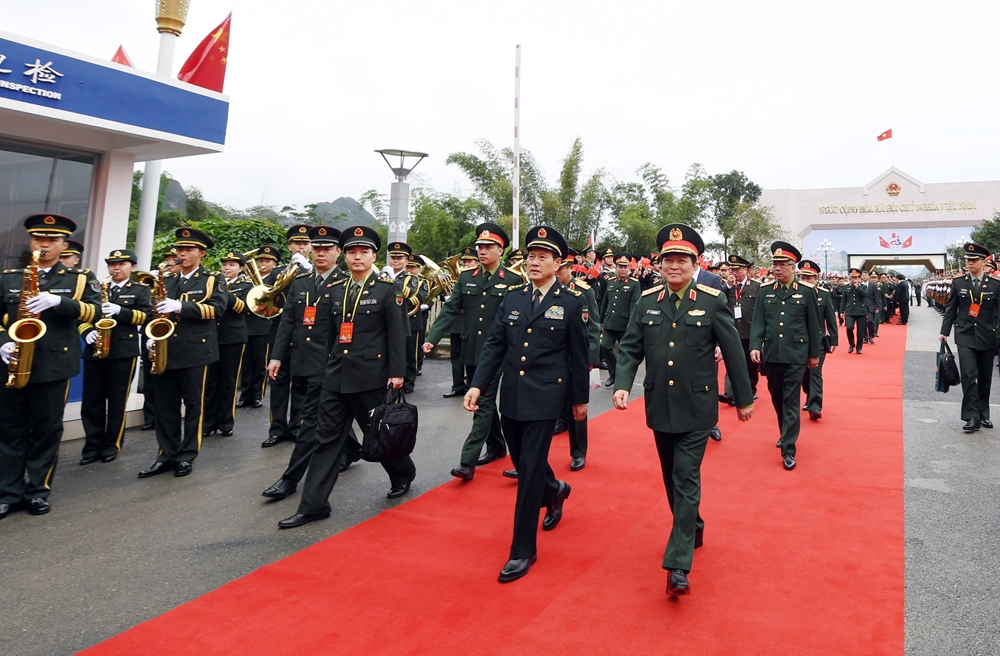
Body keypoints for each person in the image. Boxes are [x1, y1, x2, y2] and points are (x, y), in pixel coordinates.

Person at [612, 223, 754, 597]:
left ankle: (678, 564)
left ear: (696, 264)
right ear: (660, 264)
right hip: (660, 404)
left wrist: (743, 398)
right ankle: (694, 524)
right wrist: (623, 384)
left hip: (697, 406)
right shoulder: (647, 301)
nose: (674, 266)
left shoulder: (712, 299)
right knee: (671, 477)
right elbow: (630, 347)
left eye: (682, 260)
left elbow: (734, 352)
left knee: (686, 476)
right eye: (668, 260)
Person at [465, 225, 590, 582]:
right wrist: (478, 385)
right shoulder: (514, 298)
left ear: (557, 263)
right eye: (530, 256)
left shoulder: (571, 303)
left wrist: (579, 401)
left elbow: (579, 357)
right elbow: (495, 345)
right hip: (513, 396)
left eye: (542, 257)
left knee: (528, 471)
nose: (534, 263)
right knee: (522, 460)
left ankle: (522, 550)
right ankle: (556, 491)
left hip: (547, 396)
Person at [278, 226, 416, 529]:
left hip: (371, 377)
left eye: (363, 251)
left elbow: (398, 336)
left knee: (376, 434)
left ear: (373, 256)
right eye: (352, 251)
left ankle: (402, 472)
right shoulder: (336, 290)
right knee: (326, 441)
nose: (357, 256)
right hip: (336, 376)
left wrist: (397, 374)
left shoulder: (387, 289)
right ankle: (313, 505)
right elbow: (328, 335)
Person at [0, 214, 102, 519]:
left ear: (63, 244)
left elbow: (95, 312)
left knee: (46, 430)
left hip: (53, 363)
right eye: (38, 239)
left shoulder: (80, 278)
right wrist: (3, 339)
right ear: (31, 241)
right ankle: (9, 492)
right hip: (12, 362)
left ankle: (38, 491)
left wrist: (59, 303)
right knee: (9, 430)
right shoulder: (9, 277)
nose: (44, 245)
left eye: (52, 240)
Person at [423, 223, 519, 481]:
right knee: (483, 402)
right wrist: (432, 337)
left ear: (501, 250)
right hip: (473, 350)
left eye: (489, 247)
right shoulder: (466, 276)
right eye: (480, 247)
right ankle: (497, 445)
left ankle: (468, 461)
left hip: (501, 353)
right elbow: (451, 309)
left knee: (482, 402)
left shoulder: (513, 280)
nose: (483, 251)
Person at [263, 226, 348, 501]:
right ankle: (354, 449)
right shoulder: (300, 282)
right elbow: (287, 322)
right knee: (325, 417)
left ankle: (290, 479)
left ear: (338, 252)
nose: (321, 252)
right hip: (300, 361)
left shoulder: (345, 283)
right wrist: (276, 356)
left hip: (329, 365)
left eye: (327, 248)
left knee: (310, 422)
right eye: (317, 247)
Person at [137, 227, 227, 479]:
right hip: (167, 349)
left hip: (196, 350)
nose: (182, 254)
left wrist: (182, 306)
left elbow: (217, 309)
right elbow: (154, 313)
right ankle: (165, 454)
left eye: (188, 250)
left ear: (201, 253)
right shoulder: (167, 280)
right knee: (165, 406)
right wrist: (152, 337)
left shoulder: (212, 279)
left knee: (193, 405)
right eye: (179, 250)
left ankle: (187, 455)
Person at [749, 241, 820, 471]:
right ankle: (785, 432)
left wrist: (814, 354)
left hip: (796, 354)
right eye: (775, 265)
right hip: (772, 354)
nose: (777, 269)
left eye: (782, 265)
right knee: (776, 397)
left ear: (793, 267)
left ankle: (789, 447)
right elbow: (759, 322)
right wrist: (755, 346)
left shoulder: (806, 292)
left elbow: (813, 326)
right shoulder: (765, 291)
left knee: (791, 400)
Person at [80, 248, 152, 465]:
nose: (116, 268)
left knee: (117, 400)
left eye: (121, 264)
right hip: (96, 349)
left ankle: (112, 445)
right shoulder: (96, 288)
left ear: (133, 267)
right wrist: (85, 330)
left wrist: (121, 311)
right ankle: (92, 446)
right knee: (91, 402)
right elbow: (81, 313)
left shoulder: (140, 290)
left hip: (123, 351)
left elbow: (146, 316)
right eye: (112, 264)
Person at [939, 242, 1000, 432]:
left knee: (984, 377)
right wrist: (944, 332)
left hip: (987, 335)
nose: (970, 263)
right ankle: (971, 416)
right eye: (968, 260)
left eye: (974, 260)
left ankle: (983, 413)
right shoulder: (958, 283)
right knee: (969, 374)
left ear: (984, 262)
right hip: (964, 334)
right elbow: (950, 310)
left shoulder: (996, 285)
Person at [263, 228, 315, 449]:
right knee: (278, 382)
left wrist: (307, 270)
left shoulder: (314, 272)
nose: (302, 247)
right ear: (289, 247)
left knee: (301, 384)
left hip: (304, 335)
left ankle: (297, 426)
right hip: (280, 333)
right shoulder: (278, 273)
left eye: (306, 243)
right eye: (297, 244)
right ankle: (277, 429)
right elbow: (267, 302)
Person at [202, 251, 252, 438]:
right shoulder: (213, 282)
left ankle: (225, 422)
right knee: (210, 381)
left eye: (232, 265)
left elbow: (243, 308)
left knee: (229, 381)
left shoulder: (246, 285)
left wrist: (225, 292)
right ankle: (208, 422)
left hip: (233, 337)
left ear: (240, 268)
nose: (227, 268)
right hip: (213, 336)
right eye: (225, 264)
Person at [140, 247, 182, 432]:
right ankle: (149, 416)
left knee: (170, 382)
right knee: (151, 376)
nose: (170, 262)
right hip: (153, 331)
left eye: (174, 259)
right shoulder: (161, 281)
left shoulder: (182, 283)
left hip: (173, 335)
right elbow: (150, 308)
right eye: (168, 259)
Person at [239, 245, 281, 412]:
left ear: (274, 264)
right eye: (261, 260)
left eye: (267, 261)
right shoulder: (248, 279)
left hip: (265, 326)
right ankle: (244, 395)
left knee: (260, 363)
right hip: (247, 325)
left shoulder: (275, 281)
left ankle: (257, 395)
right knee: (246, 363)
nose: (263, 264)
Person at [797, 260, 837, 421]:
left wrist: (833, 339)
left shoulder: (823, 294)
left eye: (809, 278)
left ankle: (815, 406)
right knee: (803, 375)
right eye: (803, 278)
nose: (806, 281)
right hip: (799, 341)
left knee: (815, 372)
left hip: (818, 341)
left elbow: (830, 318)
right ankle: (808, 395)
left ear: (816, 278)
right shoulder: (795, 293)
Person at [721, 254, 760, 404]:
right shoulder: (729, 286)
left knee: (750, 363)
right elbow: (720, 299)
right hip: (733, 329)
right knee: (733, 360)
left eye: (737, 270)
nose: (735, 273)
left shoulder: (756, 286)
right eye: (733, 270)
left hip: (749, 330)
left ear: (745, 269)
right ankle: (730, 392)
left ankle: (751, 389)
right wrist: (728, 286)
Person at [599, 253, 640, 387]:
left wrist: (632, 324)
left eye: (625, 267)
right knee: (605, 346)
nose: (623, 269)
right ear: (616, 267)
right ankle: (613, 372)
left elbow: (634, 305)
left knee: (624, 352)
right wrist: (601, 320)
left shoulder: (634, 284)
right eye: (620, 267)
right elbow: (605, 302)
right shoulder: (611, 281)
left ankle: (623, 378)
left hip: (625, 324)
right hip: (610, 322)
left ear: (629, 268)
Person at [442, 247, 479, 398]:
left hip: (470, 323)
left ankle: (472, 384)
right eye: (464, 261)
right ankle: (457, 385)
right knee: (455, 356)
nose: (466, 264)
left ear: (477, 262)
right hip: (457, 322)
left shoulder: (478, 278)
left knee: (471, 356)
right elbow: (441, 295)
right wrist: (447, 296)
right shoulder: (457, 277)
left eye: (469, 261)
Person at [402, 254, 430, 393]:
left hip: (413, 320)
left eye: (413, 267)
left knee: (411, 353)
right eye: (408, 267)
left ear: (419, 268)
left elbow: (418, 297)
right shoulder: (397, 279)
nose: (409, 270)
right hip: (399, 320)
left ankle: (409, 383)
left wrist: (400, 302)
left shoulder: (421, 282)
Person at [841, 268, 868, 354]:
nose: (854, 279)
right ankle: (851, 344)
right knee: (849, 328)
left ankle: (859, 347)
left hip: (861, 311)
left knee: (860, 331)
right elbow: (843, 300)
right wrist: (841, 311)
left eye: (856, 278)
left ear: (859, 278)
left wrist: (857, 287)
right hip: (850, 311)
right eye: (852, 277)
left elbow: (865, 295)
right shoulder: (846, 287)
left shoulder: (863, 286)